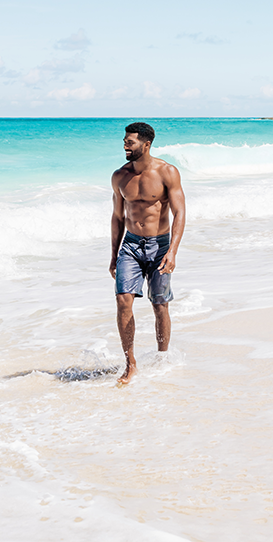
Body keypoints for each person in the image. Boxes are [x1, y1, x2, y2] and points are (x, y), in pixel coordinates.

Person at [110, 122, 186, 385]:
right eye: (124, 141)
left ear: (146, 144)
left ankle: (162, 357)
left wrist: (173, 251)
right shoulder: (120, 176)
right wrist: (113, 256)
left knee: (159, 304)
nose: (125, 146)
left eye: (129, 142)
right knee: (123, 301)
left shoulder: (167, 172)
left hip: (160, 245)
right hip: (130, 246)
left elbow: (180, 213)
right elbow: (117, 217)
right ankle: (130, 364)